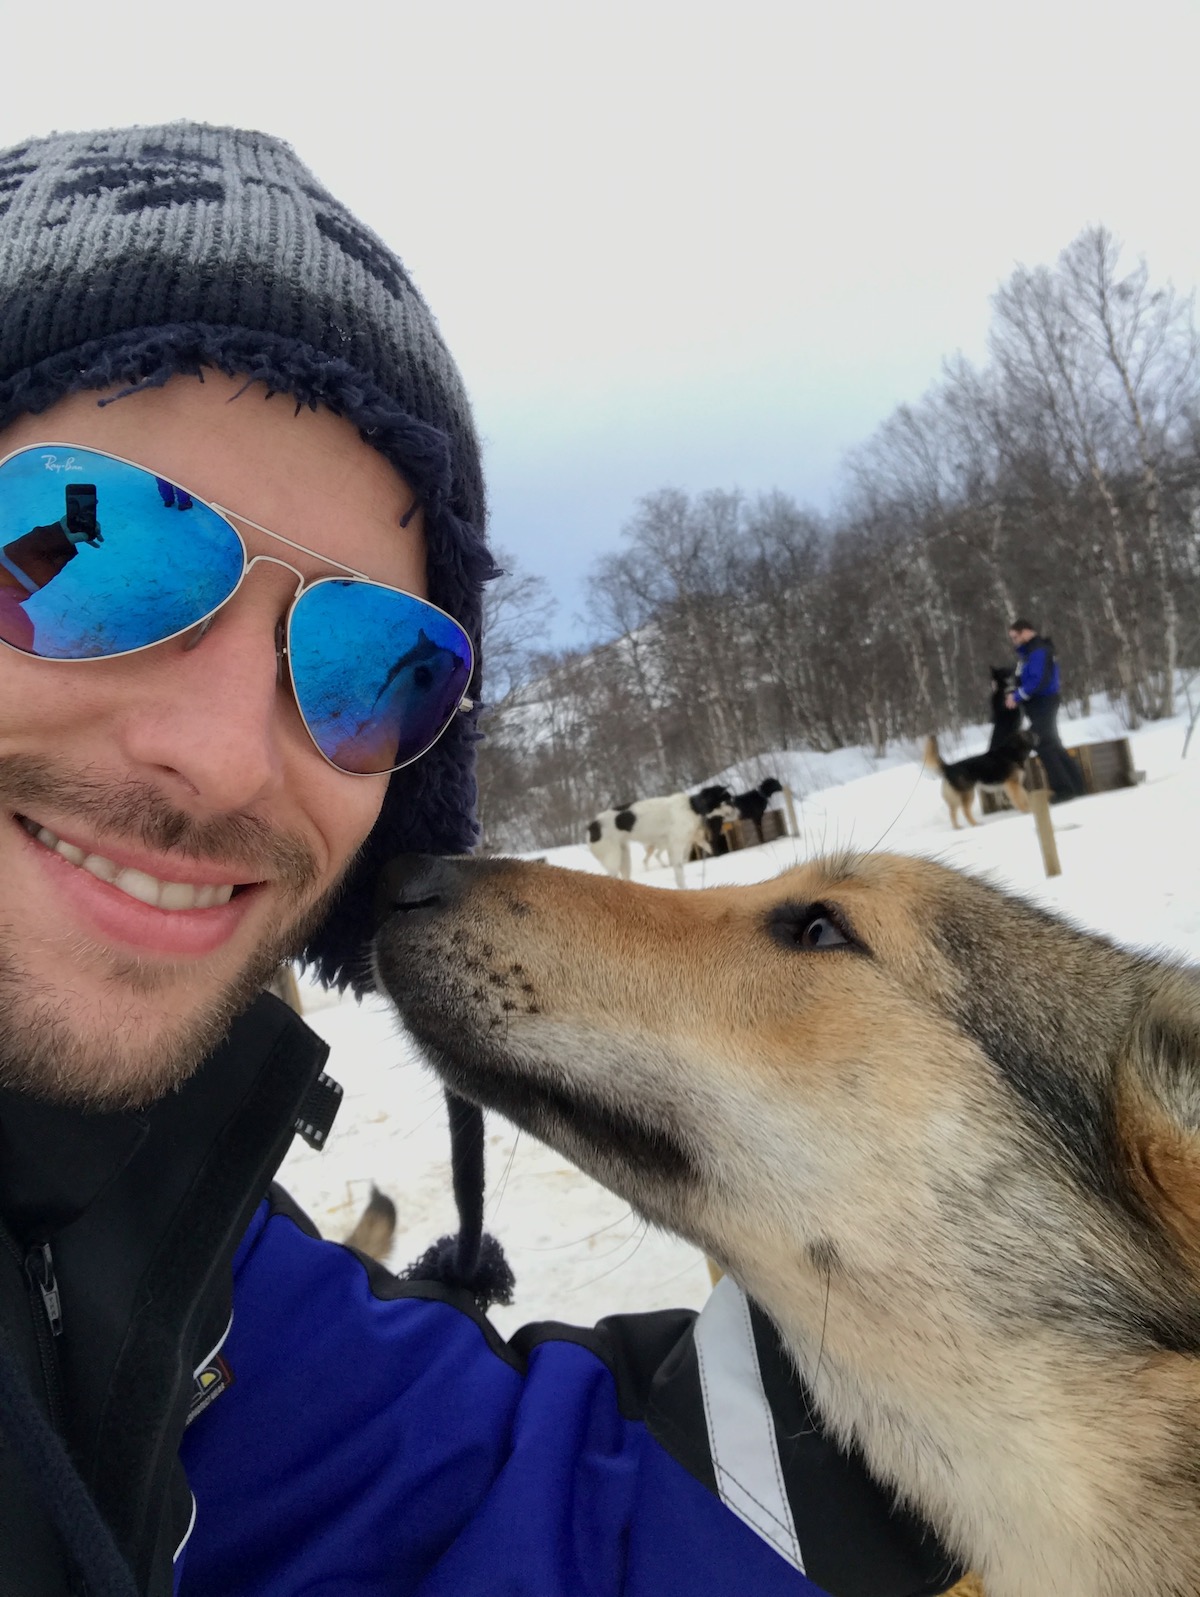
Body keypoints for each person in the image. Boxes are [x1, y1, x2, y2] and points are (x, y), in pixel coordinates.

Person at [0, 124, 965, 1597]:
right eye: (90, 548)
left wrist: (996, 1420)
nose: (231, 756)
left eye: (366, 659)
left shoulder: (143, 1224)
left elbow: (489, 1512)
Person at [1005, 618, 1085, 803]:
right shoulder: (1029, 653)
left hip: (1044, 702)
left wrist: (1017, 696)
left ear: (1026, 632)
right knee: (1053, 743)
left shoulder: (1038, 650)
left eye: (1015, 636)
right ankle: (1077, 785)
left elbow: (1037, 680)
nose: (1014, 641)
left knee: (1042, 743)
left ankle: (1064, 789)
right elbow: (1026, 678)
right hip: (1038, 703)